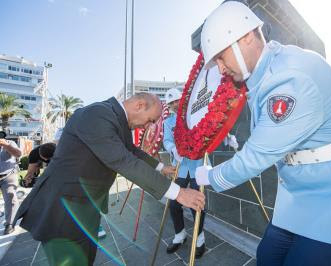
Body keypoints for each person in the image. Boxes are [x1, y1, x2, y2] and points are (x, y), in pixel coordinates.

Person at [195, 2, 331, 265]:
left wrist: (211, 176)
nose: (220, 69)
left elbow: (256, 156)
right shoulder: (265, 73)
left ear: (246, 36)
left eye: (221, 57)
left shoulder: (290, 77)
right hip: (303, 199)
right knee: (267, 257)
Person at [14, 93, 205, 265]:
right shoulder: (97, 114)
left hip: (84, 206)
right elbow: (123, 160)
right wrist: (178, 192)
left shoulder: (114, 120)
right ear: (139, 105)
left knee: (86, 258)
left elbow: (131, 152)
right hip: (62, 209)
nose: (148, 127)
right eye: (150, 120)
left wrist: (162, 168)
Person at [163, 88, 209, 257]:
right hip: (179, 167)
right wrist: (173, 149)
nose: (175, 105)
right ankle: (179, 234)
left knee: (198, 202)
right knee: (173, 203)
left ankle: (200, 238)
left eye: (176, 101)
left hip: (199, 165)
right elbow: (166, 141)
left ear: (183, 100)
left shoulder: (196, 115)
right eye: (171, 103)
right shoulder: (168, 122)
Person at [0, 131, 22, 235]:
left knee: (10, 196)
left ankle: (10, 223)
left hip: (8, 174)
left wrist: (5, 145)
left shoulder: (9, 143)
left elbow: (18, 153)